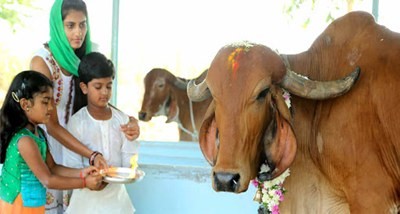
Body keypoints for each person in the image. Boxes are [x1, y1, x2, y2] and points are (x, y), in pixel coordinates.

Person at [29, 0, 140, 212]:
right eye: (70, 25)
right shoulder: (42, 62)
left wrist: (129, 121)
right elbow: (51, 125)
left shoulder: (88, 52)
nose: (78, 32)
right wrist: (92, 154)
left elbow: (100, 93)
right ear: (57, 26)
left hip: (81, 142)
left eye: (83, 24)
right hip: (51, 147)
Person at [0, 70, 104, 214]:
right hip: (17, 207)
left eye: (52, 102)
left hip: (33, 206)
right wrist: (85, 183)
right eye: (45, 101)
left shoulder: (39, 134)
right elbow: (48, 180)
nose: (51, 108)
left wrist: (82, 173)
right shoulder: (25, 141)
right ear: (25, 104)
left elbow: (53, 168)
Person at [63, 52, 139, 214]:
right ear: (84, 88)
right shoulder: (77, 123)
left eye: (109, 86)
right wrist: (92, 178)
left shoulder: (122, 120)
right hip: (84, 206)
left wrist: (124, 171)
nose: (104, 92)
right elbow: (72, 165)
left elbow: (129, 159)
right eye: (98, 87)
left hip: (118, 205)